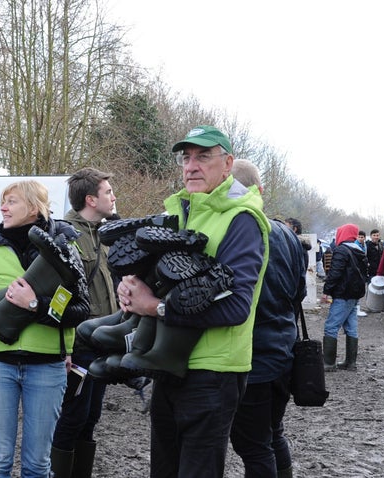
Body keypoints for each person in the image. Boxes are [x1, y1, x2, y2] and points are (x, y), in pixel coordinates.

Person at [116, 126, 269, 478]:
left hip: (213, 373)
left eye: (203, 157)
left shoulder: (240, 219)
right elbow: (162, 287)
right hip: (169, 364)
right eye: (186, 158)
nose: (191, 166)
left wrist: (155, 307)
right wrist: (131, 289)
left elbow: (236, 308)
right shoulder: (182, 213)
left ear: (228, 163)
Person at [0, 180, 90, 477]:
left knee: (37, 464)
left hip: (47, 368)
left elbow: (82, 309)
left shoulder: (64, 245)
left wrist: (35, 305)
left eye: (11, 201)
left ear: (33, 206)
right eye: (4, 201)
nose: (3, 207)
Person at [229, 159, 306, 478]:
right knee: (273, 433)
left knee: (253, 445)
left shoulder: (236, 231)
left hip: (255, 356)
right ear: (259, 190)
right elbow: (299, 293)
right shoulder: (287, 235)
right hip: (285, 349)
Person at [51, 167, 118, 478]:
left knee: (92, 415)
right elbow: (58, 297)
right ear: (91, 199)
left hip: (103, 342)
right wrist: (64, 346)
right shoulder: (66, 236)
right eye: (107, 192)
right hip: (79, 345)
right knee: (73, 415)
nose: (113, 196)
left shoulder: (102, 233)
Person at [322, 224, 367, 372]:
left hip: (343, 293)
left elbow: (335, 272)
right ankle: (350, 362)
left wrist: (326, 291)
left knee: (331, 327)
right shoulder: (360, 250)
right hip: (355, 294)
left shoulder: (341, 250)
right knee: (351, 328)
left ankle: (328, 363)